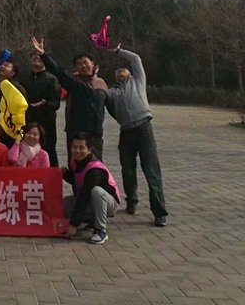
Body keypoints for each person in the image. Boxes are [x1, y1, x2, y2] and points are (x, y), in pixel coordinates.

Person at [107, 45, 168, 226]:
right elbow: (109, 107)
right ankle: (131, 201)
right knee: (127, 170)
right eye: (117, 70)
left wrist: (119, 52)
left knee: (152, 171)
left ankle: (159, 212)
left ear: (130, 73)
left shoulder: (138, 81)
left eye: (123, 68)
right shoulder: (112, 92)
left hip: (144, 129)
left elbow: (135, 59)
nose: (120, 70)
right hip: (126, 132)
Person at [31, 38, 109, 160]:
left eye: (85, 62)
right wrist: (43, 54)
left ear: (92, 64)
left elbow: (112, 105)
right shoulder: (75, 83)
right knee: (75, 164)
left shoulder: (101, 83)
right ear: (76, 67)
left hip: (95, 133)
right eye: (79, 64)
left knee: (96, 164)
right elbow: (59, 71)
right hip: (76, 131)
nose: (83, 66)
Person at [62, 132, 121, 245]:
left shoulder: (95, 170)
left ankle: (100, 230)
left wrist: (74, 225)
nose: (77, 151)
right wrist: (65, 173)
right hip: (89, 199)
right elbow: (77, 179)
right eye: (74, 147)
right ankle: (91, 218)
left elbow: (84, 196)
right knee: (62, 207)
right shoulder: (75, 160)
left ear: (89, 150)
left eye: (81, 148)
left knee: (96, 191)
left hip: (108, 202)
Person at [21, 53, 61, 166]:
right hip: (28, 122)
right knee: (26, 151)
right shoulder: (24, 80)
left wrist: (44, 104)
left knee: (48, 151)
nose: (37, 58)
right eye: (34, 56)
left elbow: (56, 104)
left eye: (40, 57)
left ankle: (52, 176)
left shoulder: (52, 79)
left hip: (46, 124)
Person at [0, 61, 28, 144]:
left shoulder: (18, 89)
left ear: (13, 73)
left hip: (11, 129)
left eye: (6, 66)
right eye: (1, 65)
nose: (2, 66)